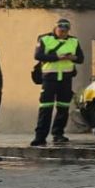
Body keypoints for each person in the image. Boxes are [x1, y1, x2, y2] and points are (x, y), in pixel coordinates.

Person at [32, 18, 84, 147]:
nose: (63, 33)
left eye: (65, 31)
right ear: (55, 29)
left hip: (66, 79)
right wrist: (57, 57)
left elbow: (81, 59)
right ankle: (40, 137)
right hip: (50, 79)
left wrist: (73, 57)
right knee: (46, 108)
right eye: (61, 30)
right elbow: (38, 56)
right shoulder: (45, 39)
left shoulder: (74, 41)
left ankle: (58, 134)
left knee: (63, 108)